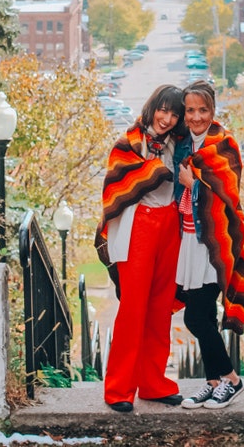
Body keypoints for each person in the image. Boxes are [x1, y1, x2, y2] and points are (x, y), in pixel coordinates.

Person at [95, 84, 186, 413]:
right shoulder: (130, 140)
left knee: (161, 309)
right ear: (153, 107)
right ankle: (119, 389)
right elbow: (116, 183)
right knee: (133, 308)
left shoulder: (178, 143)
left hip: (170, 227)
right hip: (139, 227)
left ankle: (154, 383)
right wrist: (157, 171)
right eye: (163, 110)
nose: (167, 118)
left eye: (175, 113)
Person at [174, 79, 244, 410]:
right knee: (203, 313)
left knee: (194, 318)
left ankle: (232, 381)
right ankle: (212, 382)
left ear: (213, 111)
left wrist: (195, 183)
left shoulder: (225, 145)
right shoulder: (179, 145)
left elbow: (229, 194)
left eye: (202, 110)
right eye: (190, 110)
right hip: (189, 239)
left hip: (215, 242)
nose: (195, 117)